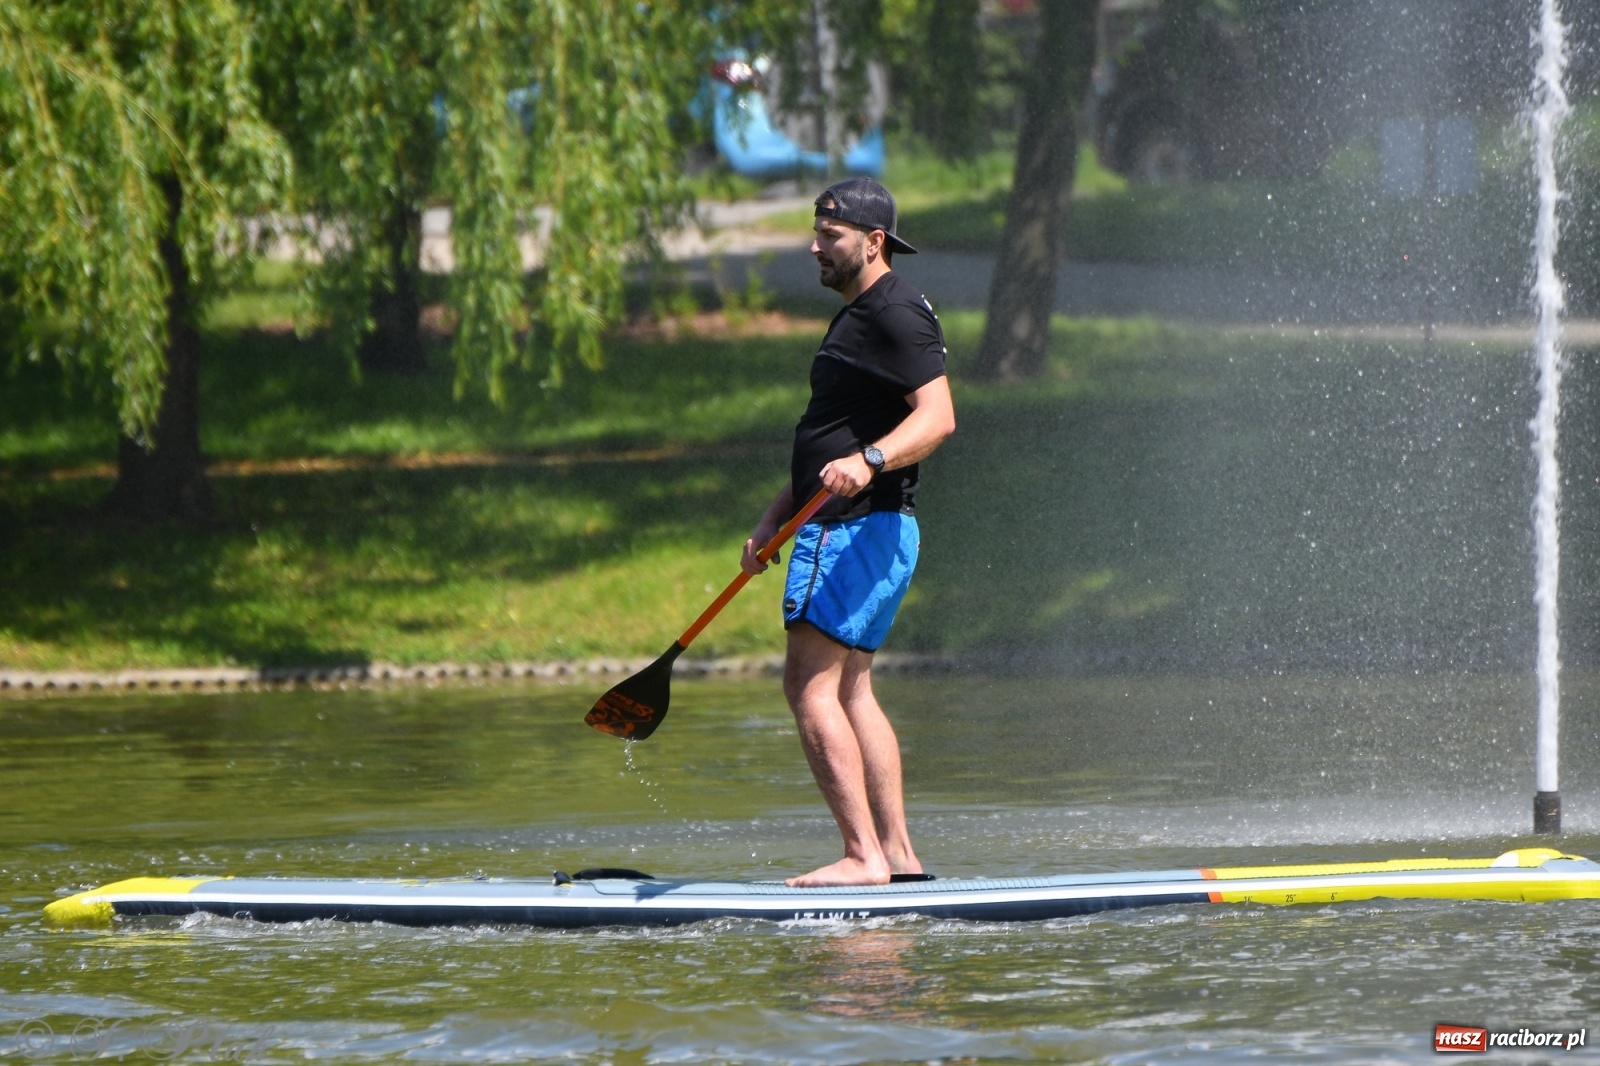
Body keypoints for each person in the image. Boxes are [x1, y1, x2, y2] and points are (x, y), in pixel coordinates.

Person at [740, 178, 956, 887]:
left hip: (852, 531)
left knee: (808, 686)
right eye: (816, 232)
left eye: (829, 236)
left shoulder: (894, 311)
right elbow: (831, 439)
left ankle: (863, 857)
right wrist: (774, 518)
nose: (815, 247)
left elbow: (937, 418)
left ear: (873, 242)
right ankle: (895, 857)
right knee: (853, 689)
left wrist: (871, 461)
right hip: (859, 527)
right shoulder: (863, 315)